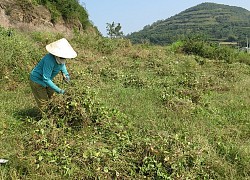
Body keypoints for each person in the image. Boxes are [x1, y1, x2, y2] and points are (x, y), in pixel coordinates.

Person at [29, 38, 77, 112]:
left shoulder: (62, 59)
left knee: (53, 99)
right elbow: (46, 78)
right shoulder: (49, 60)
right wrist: (60, 91)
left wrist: (66, 76)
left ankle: (52, 115)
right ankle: (46, 120)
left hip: (47, 81)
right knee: (44, 105)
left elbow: (63, 66)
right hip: (37, 81)